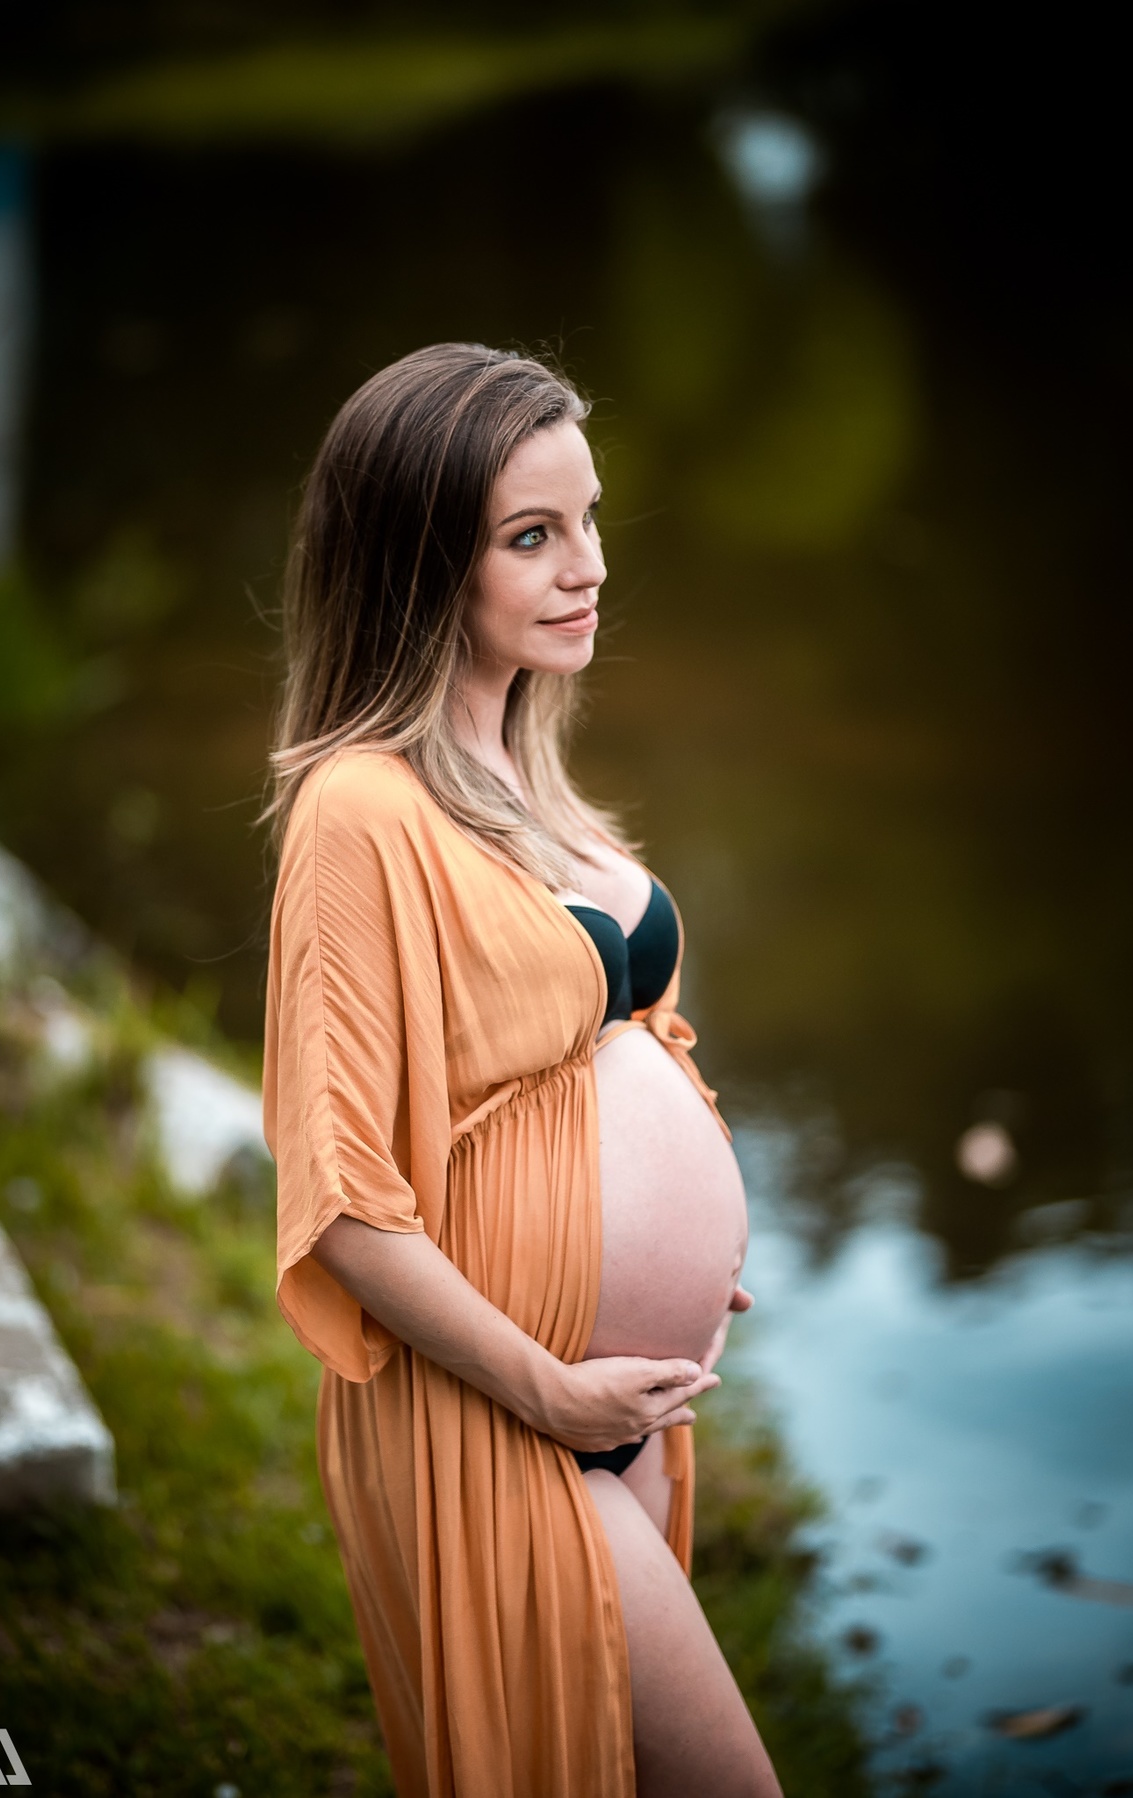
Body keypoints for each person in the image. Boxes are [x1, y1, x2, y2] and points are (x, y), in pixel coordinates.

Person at [262, 343, 782, 1798]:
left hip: (615, 1405)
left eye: (590, 521)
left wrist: (685, 1247)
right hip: (500, 1414)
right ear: (421, 561)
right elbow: (344, 1202)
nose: (587, 568)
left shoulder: (527, 778)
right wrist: (552, 1389)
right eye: (531, 537)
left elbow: (597, 1068)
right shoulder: (359, 811)